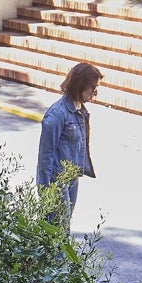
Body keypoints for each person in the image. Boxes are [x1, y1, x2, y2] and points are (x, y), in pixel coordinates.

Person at [36, 62, 101, 219]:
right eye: (93, 88)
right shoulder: (57, 114)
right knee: (56, 230)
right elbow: (45, 156)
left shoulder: (80, 111)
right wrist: (46, 192)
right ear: (81, 85)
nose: (95, 93)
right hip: (56, 181)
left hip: (71, 178)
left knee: (63, 229)